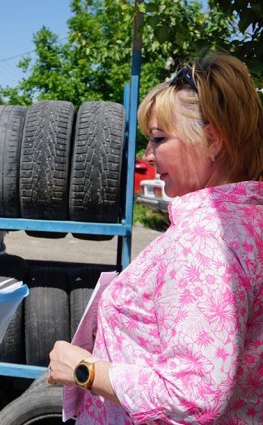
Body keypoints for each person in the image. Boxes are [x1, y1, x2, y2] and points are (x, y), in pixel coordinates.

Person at [48, 52, 263, 423]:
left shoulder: (205, 241)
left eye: (159, 139)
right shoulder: (249, 221)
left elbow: (193, 396)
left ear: (212, 140)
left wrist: (84, 370)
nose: (148, 154)